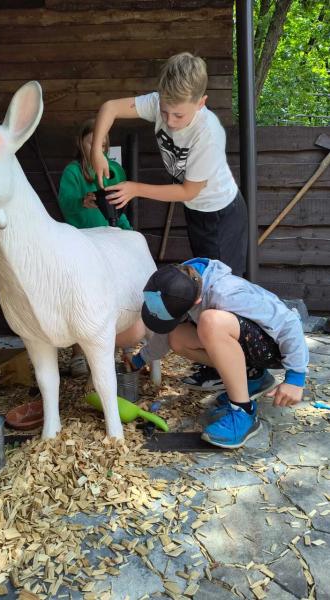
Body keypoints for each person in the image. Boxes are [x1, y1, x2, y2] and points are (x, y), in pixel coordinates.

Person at [91, 52, 248, 392]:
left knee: (220, 300)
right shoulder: (160, 102)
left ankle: (244, 373)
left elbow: (189, 190)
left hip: (221, 216)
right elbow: (110, 108)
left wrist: (135, 188)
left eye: (179, 115)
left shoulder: (208, 134)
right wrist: (97, 152)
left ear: (201, 103)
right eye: (164, 112)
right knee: (201, 292)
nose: (170, 121)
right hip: (198, 213)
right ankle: (214, 365)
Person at [129, 258, 309, 448]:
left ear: (197, 301)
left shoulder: (226, 293)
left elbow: (289, 323)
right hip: (249, 343)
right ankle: (252, 377)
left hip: (272, 348)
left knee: (211, 322)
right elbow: (165, 331)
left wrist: (295, 378)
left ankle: (243, 412)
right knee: (176, 337)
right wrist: (140, 358)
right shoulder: (177, 281)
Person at [58, 119, 132, 376]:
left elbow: (120, 205)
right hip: (84, 241)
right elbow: (65, 203)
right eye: (92, 142)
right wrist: (83, 201)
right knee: (82, 298)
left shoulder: (115, 170)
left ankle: (123, 346)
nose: (97, 147)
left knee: (117, 292)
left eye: (102, 142)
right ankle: (78, 353)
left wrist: (127, 230)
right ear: (81, 143)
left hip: (112, 239)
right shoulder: (73, 172)